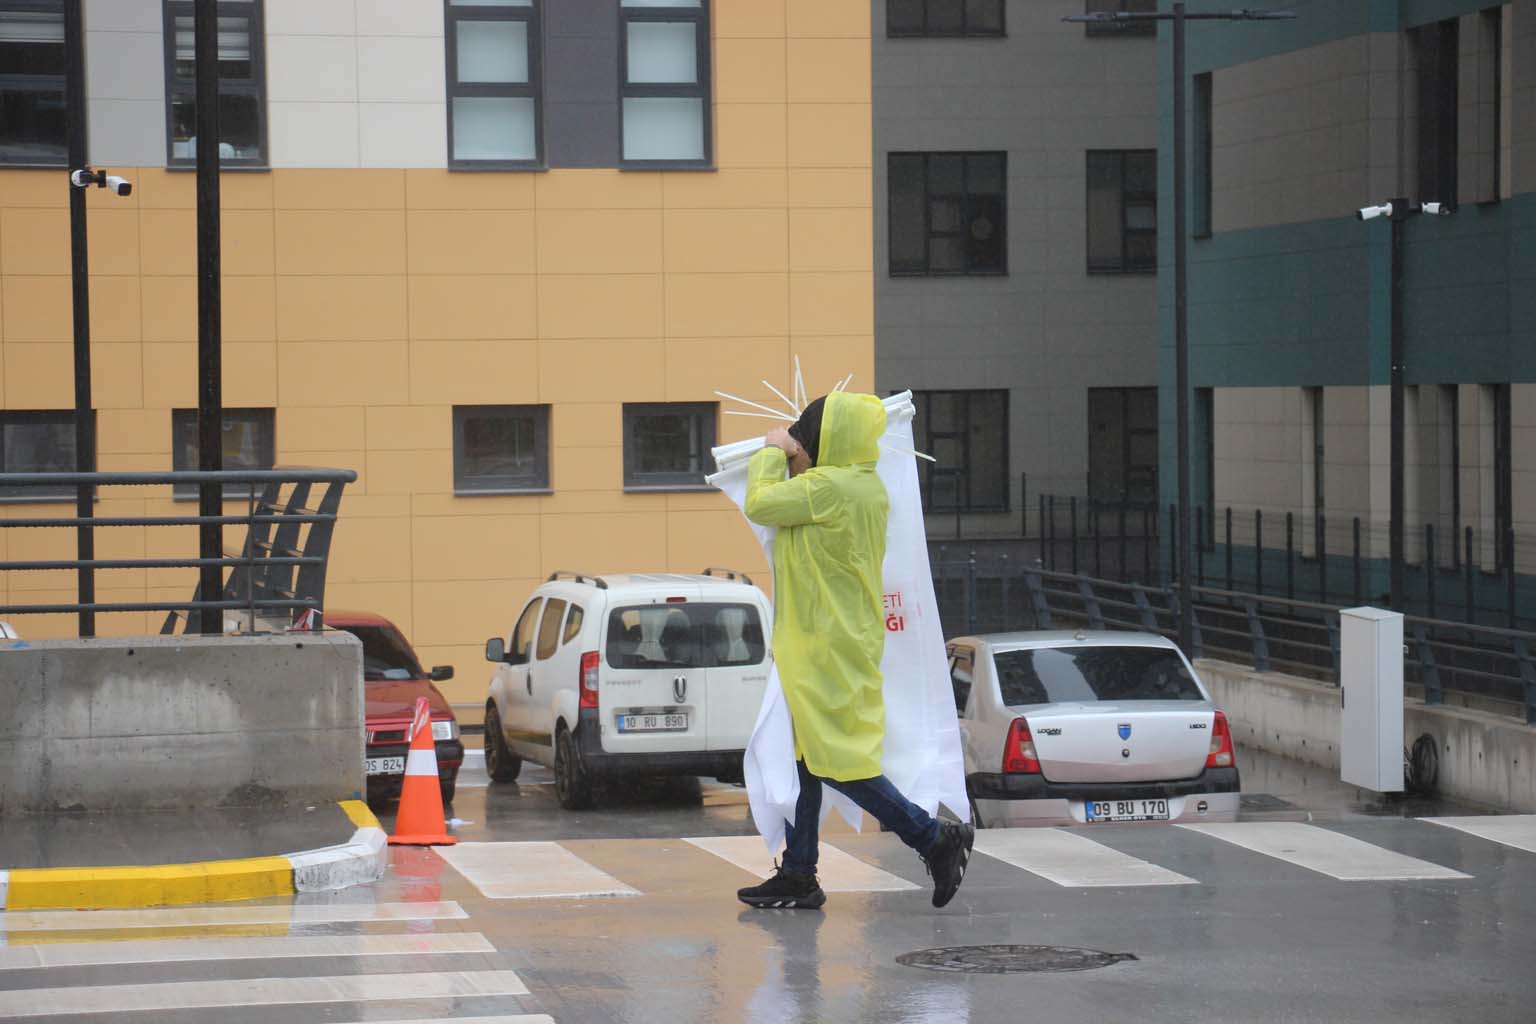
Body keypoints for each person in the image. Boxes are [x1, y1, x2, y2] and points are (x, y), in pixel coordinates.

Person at [735, 392, 973, 910]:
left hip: (823, 647)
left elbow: (761, 503)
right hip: (831, 641)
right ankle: (800, 872)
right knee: (805, 759)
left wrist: (773, 452)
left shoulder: (828, 487)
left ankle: (933, 838)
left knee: (839, 763)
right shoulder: (862, 486)